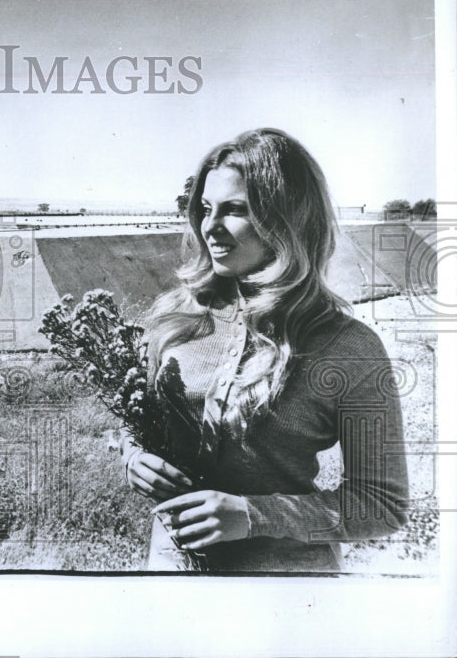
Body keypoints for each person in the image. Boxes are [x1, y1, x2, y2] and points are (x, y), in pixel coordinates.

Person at [122, 128, 409, 572]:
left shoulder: (347, 345)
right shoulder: (174, 319)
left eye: (235, 210)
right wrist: (133, 456)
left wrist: (255, 516)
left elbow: (382, 506)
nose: (210, 227)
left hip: (287, 599)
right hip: (171, 579)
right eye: (204, 209)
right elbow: (138, 420)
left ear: (287, 219)